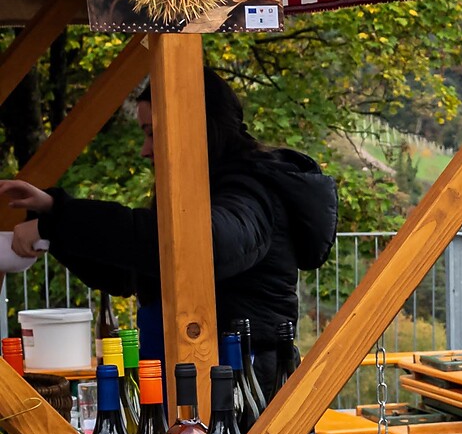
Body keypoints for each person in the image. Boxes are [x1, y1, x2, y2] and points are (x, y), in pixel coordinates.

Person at [0, 67, 338, 367]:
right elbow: (127, 272)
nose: (145, 150)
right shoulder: (206, 192)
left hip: (245, 397)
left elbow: (198, 248)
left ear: (194, 130)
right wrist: (53, 214)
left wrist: (58, 221)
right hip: (192, 381)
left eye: (152, 133)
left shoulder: (250, 194)